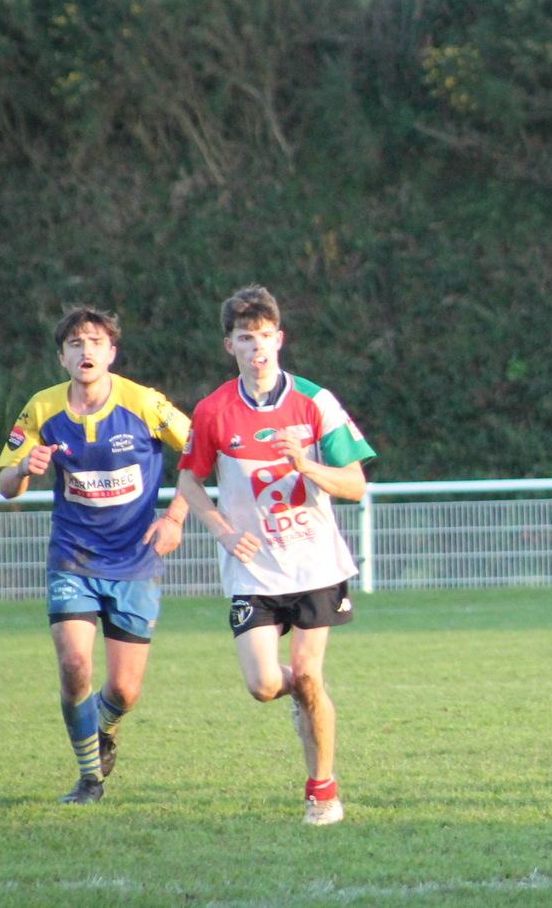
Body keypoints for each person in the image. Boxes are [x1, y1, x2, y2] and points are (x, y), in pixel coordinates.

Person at [175, 286, 375, 826]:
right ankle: (303, 698)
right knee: (265, 685)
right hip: (252, 570)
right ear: (230, 346)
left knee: (309, 674)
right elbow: (189, 480)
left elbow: (355, 484)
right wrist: (221, 530)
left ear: (280, 339)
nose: (257, 346)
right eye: (246, 338)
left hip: (314, 565)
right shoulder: (213, 410)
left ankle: (323, 794)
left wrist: (306, 466)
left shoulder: (315, 402)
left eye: (265, 335)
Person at [0, 306, 191, 804]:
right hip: (73, 557)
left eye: (96, 342)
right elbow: (6, 485)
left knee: (124, 691)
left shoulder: (144, 403)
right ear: (62, 358)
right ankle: (89, 779)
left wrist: (174, 517)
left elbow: (199, 452)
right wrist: (24, 469)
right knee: (74, 663)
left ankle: (104, 729)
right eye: (76, 343)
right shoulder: (42, 408)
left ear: (112, 353)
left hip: (135, 559)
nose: (87, 351)